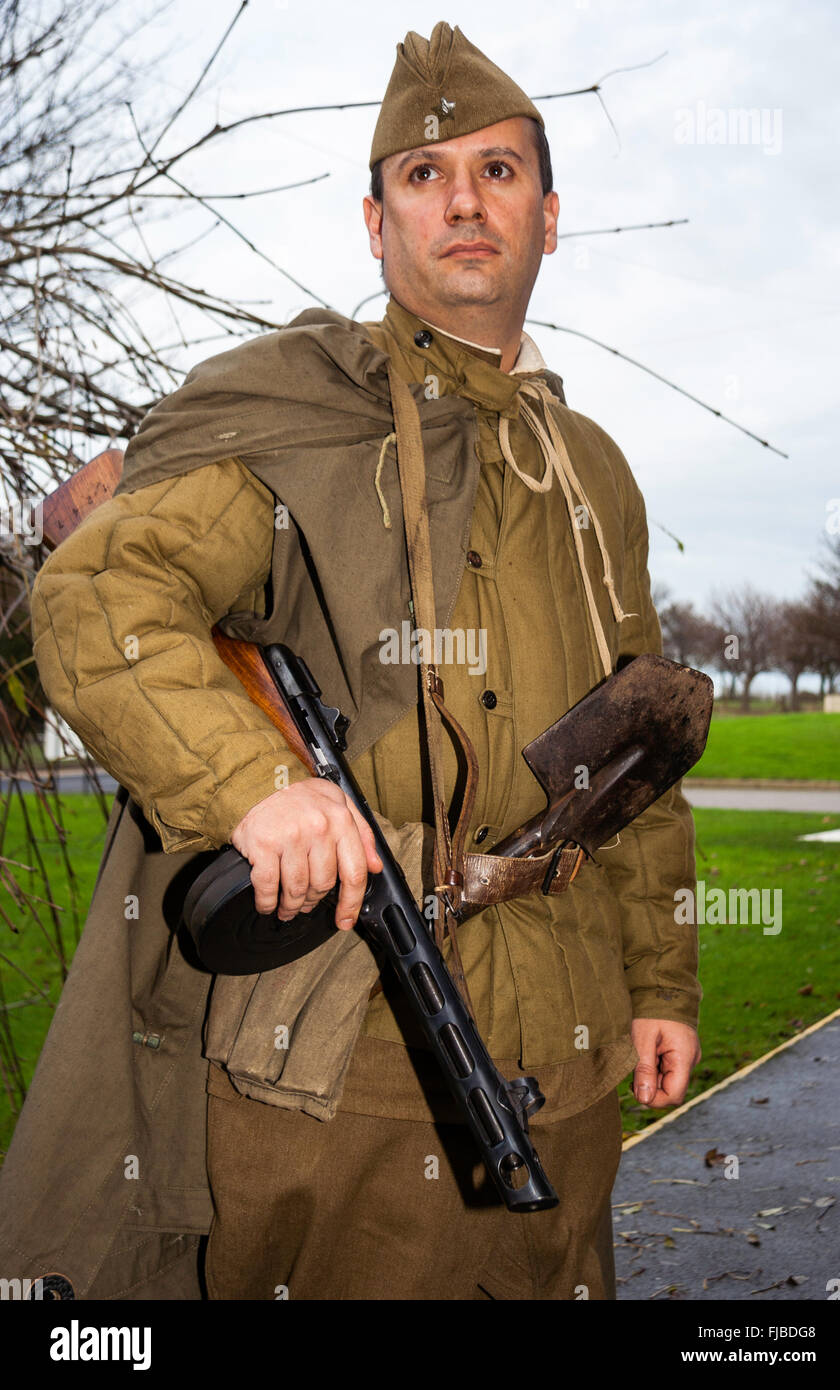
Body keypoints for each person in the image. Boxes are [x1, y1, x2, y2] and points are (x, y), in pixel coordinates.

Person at [8, 22, 701, 1300]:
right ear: (376, 227)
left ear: (550, 219)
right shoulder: (294, 419)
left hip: (575, 1039)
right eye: (423, 177)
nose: (463, 203)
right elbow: (101, 591)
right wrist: (254, 787)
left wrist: (663, 982)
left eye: (497, 172)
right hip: (350, 1051)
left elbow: (635, 754)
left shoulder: (593, 469)